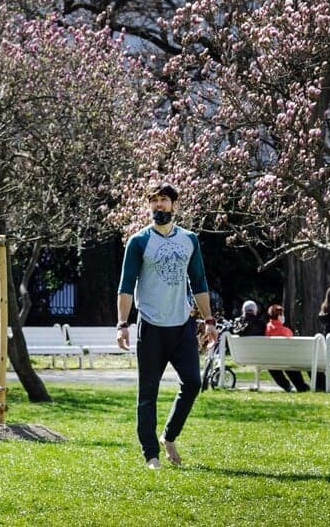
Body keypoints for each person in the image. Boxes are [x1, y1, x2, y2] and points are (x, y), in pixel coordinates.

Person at [116, 183, 212, 469]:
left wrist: (209, 320)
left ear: (174, 205)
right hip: (151, 326)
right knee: (148, 393)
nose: (159, 205)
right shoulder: (139, 242)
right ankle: (151, 455)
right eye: (154, 200)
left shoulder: (189, 240)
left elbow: (199, 282)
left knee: (193, 383)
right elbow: (125, 286)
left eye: (164, 200)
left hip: (182, 325)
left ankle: (169, 436)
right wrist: (122, 324)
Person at [264, 304, 313, 392]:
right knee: (289, 362)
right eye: (282, 315)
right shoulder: (285, 331)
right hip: (288, 359)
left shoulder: (266, 328)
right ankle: (302, 386)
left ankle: (288, 386)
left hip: (271, 359)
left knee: (281, 362)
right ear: (279, 316)